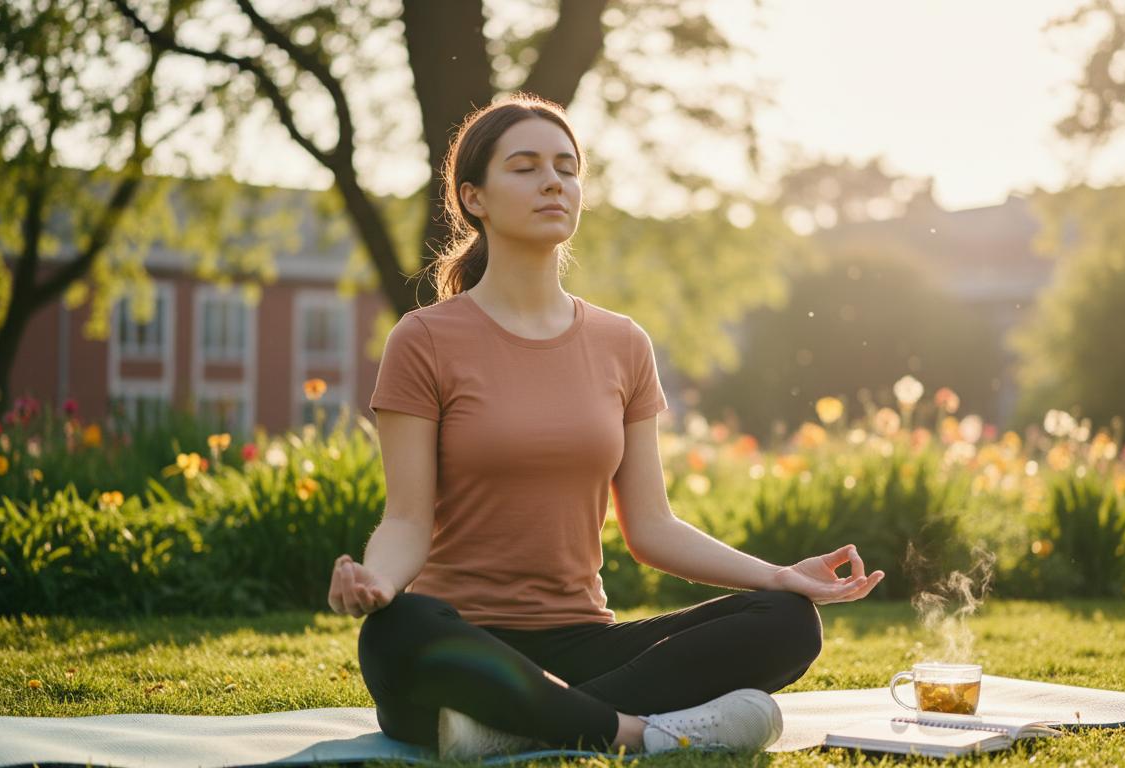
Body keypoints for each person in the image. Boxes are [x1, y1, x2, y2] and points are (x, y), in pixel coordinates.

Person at [328, 93, 885, 760]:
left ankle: (513, 724)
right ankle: (633, 734)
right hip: (464, 640)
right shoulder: (423, 340)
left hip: (586, 647)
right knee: (398, 629)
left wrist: (776, 576)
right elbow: (407, 522)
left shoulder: (623, 343)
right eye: (526, 167)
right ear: (473, 198)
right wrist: (380, 583)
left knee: (788, 622)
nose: (553, 181)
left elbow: (652, 528)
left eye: (566, 167)